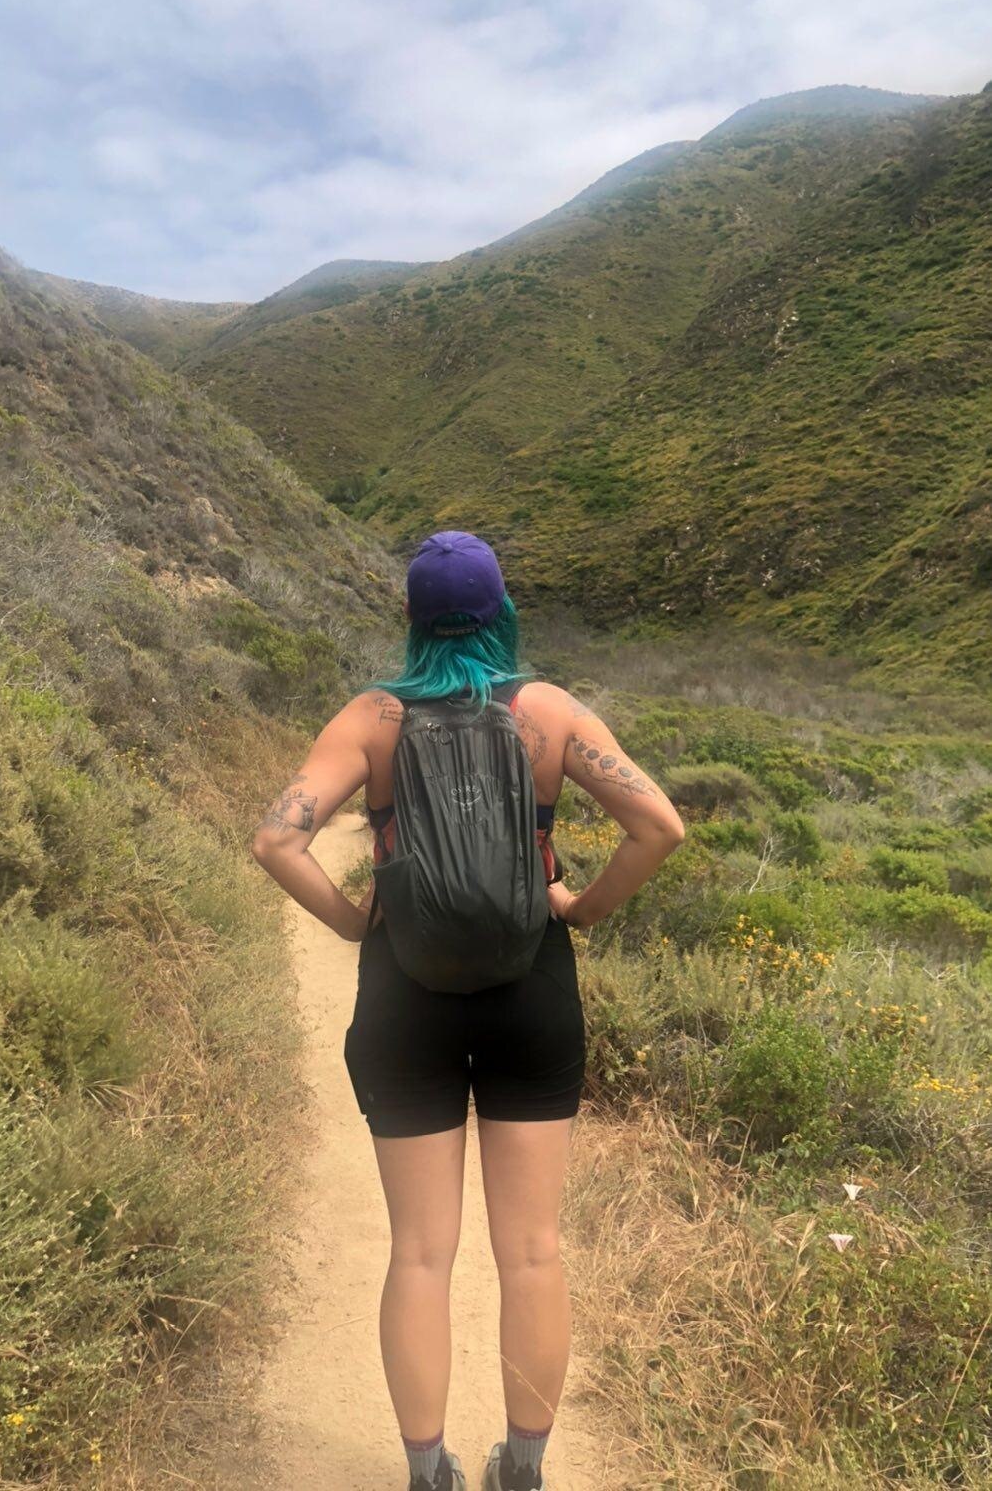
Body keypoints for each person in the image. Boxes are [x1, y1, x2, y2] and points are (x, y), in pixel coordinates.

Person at [251, 530, 686, 1491]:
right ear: (501, 615)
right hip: (531, 989)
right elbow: (659, 824)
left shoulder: (372, 717)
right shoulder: (548, 711)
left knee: (417, 1254)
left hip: (406, 995)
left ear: (411, 621)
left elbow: (278, 839)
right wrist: (580, 906)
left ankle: (425, 1473)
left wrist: (353, 924)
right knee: (532, 1251)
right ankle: (522, 1470)